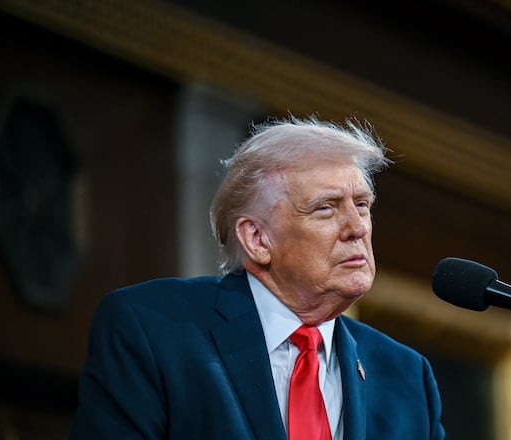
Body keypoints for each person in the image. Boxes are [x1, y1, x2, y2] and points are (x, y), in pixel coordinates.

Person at [68, 115, 446, 439]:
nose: (356, 228)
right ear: (257, 239)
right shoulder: (151, 331)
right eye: (325, 208)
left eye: (361, 205)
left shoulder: (407, 377)